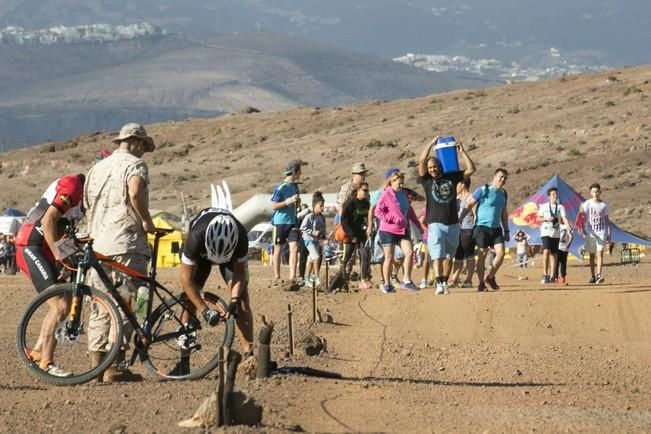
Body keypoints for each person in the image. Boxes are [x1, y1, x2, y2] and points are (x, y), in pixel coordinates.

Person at [84, 122, 156, 382]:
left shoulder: (96, 169)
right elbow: (135, 192)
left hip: (98, 244)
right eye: (143, 147)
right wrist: (146, 221)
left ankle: (97, 366)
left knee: (100, 303)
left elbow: (87, 204)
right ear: (136, 142)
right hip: (126, 243)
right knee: (128, 300)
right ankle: (116, 365)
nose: (143, 153)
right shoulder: (135, 165)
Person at [15, 174, 85, 377]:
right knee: (60, 305)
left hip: (43, 247)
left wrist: (73, 253)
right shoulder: (73, 186)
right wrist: (60, 256)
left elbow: (63, 231)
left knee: (65, 301)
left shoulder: (87, 198)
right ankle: (46, 363)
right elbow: (47, 222)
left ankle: (37, 352)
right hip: (31, 245)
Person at [179, 208, 254, 356]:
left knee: (242, 302)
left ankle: (248, 355)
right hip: (201, 255)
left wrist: (234, 300)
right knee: (189, 300)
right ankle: (184, 358)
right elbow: (185, 280)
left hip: (229, 257)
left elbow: (240, 273)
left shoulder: (241, 238)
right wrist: (205, 310)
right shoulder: (195, 237)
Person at [418, 136, 476, 295]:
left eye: (435, 166)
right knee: (437, 255)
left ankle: (444, 282)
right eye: (430, 168)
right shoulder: (426, 180)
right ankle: (438, 283)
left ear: (440, 166)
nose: (432, 169)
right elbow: (422, 161)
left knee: (449, 257)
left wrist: (463, 152)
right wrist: (431, 143)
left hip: (453, 223)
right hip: (435, 223)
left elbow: (471, 169)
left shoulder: (452, 176)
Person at [459, 168, 510, 292]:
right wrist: (460, 218)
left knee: (501, 253)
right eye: (500, 177)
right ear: (494, 176)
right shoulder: (483, 190)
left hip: (496, 228)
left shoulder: (503, 193)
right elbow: (469, 204)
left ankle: (490, 277)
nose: (502, 180)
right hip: (482, 228)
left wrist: (506, 230)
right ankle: (481, 283)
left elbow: (503, 213)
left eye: (505, 178)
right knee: (482, 255)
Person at [374, 170, 421, 293]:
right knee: (389, 257)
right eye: (399, 183)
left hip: (403, 229)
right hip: (387, 230)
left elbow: (408, 211)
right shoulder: (386, 194)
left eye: (402, 183)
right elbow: (377, 212)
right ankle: (387, 284)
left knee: (410, 252)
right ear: (392, 182)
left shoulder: (404, 194)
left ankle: (407, 280)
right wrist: (392, 218)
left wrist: (417, 225)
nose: (401, 186)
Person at [270, 160, 303, 290]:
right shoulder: (281, 187)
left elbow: (296, 203)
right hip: (280, 222)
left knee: (294, 247)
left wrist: (298, 203)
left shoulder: (296, 187)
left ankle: (292, 277)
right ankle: (277, 277)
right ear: (294, 172)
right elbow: (274, 206)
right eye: (299, 171)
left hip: (293, 221)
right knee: (279, 248)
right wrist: (289, 201)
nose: (301, 174)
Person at [340, 182, 371, 290]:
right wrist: (351, 234)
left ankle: (362, 280)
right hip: (350, 235)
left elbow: (368, 217)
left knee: (364, 255)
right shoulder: (350, 203)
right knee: (346, 258)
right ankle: (343, 280)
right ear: (357, 191)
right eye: (364, 190)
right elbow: (344, 220)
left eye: (368, 190)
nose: (367, 192)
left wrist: (368, 227)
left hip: (361, 235)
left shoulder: (367, 204)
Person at [578, 183, 610, 284]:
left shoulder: (604, 205)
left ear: (600, 192)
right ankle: (593, 276)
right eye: (593, 192)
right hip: (590, 232)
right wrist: (582, 228)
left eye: (597, 192)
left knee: (599, 253)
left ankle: (599, 275)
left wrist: (609, 232)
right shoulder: (587, 203)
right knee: (592, 255)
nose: (595, 194)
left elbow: (606, 219)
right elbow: (582, 216)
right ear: (590, 193)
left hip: (601, 231)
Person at [537, 187, 570, 284]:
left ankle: (552, 276)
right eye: (553, 194)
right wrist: (547, 218)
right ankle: (545, 274)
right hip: (546, 231)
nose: (555, 196)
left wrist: (568, 227)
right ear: (549, 196)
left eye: (556, 194)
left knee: (554, 254)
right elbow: (538, 218)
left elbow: (564, 218)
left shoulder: (560, 207)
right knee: (546, 250)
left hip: (556, 232)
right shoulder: (544, 207)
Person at [449, 178, 476, 288]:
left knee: (469, 254)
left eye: (457, 184)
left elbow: (475, 213)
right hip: (457, 229)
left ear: (463, 184)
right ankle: (454, 279)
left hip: (468, 229)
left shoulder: (471, 197)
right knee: (458, 255)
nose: (456, 186)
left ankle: (468, 280)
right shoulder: (456, 198)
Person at [300, 193, 327, 286]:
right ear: (315, 205)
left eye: (323, 206)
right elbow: (302, 227)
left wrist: (323, 235)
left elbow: (323, 229)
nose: (322, 208)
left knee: (311, 259)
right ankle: (316, 277)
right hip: (308, 240)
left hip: (316, 241)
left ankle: (306, 279)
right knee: (316, 257)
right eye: (321, 206)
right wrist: (312, 232)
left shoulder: (322, 217)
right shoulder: (309, 216)